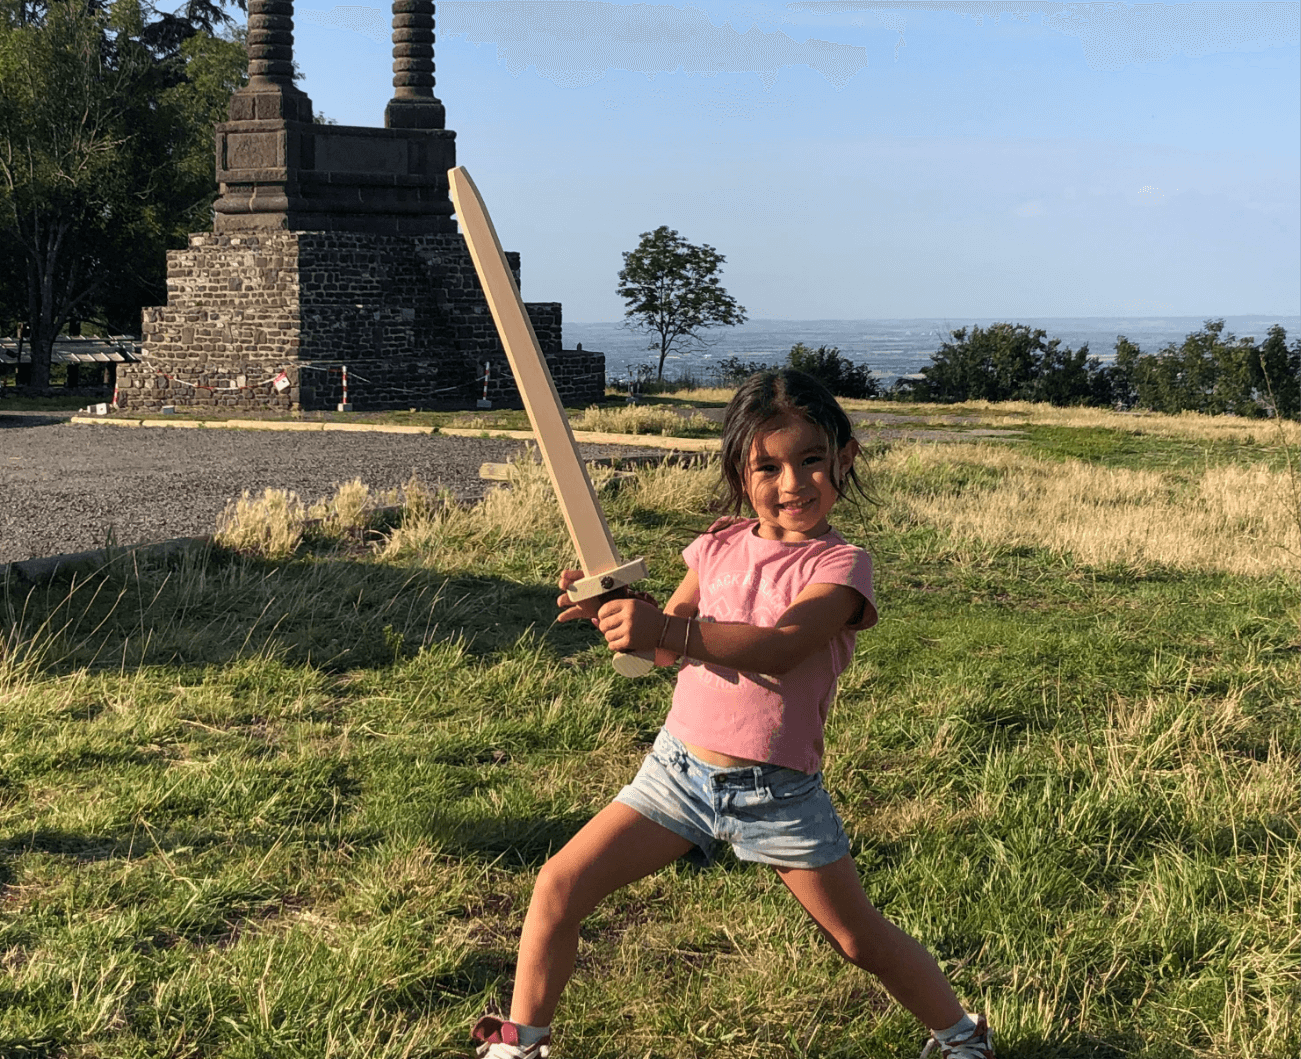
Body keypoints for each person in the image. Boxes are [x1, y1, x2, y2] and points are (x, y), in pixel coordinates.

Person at [471, 369, 994, 1059]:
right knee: (560, 883)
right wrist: (618, 616)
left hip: (776, 791)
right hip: (677, 772)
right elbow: (666, 648)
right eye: (767, 466)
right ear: (737, 473)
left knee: (855, 936)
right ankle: (522, 1041)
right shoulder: (714, 545)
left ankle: (960, 1036)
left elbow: (781, 647)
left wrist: (662, 630)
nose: (792, 483)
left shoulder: (840, 565)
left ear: (846, 456)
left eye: (810, 459)